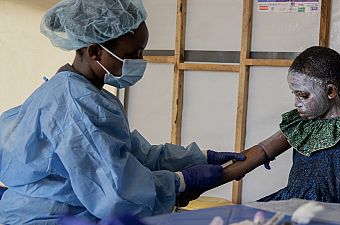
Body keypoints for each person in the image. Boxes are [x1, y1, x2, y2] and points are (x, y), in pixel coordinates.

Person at [0, 0, 245, 224]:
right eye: (133, 55)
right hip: (48, 218)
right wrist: (181, 182)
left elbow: (135, 155)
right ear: (95, 51)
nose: (140, 61)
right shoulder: (76, 104)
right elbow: (116, 193)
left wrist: (201, 157)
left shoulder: (85, 93)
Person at [202, 46, 340, 204]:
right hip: (288, 206)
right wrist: (203, 182)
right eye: (294, 94)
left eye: (303, 95)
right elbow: (262, 150)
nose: (297, 102)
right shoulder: (301, 122)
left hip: (328, 215)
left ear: (330, 91)